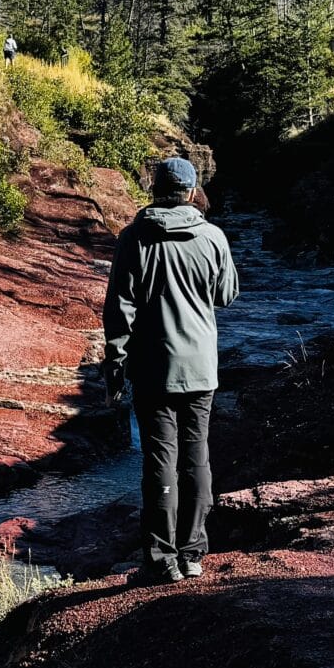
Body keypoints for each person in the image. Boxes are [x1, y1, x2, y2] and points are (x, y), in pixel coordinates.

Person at [102, 156, 239, 583]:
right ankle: (193, 553)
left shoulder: (134, 239)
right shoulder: (213, 236)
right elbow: (227, 294)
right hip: (202, 367)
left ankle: (162, 561)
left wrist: (114, 367)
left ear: (154, 189)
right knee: (197, 455)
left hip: (152, 368)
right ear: (192, 191)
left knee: (160, 458)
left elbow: (119, 311)